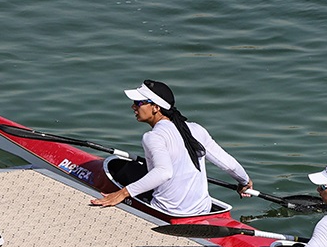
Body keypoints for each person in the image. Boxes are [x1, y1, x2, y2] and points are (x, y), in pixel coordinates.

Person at [91, 80, 253, 215]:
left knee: (128, 169)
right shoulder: (196, 129)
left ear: (156, 107)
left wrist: (122, 193)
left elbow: (164, 172)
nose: (133, 107)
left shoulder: (153, 136)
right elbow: (229, 164)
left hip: (168, 211)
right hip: (202, 209)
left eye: (138, 103)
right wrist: (245, 181)